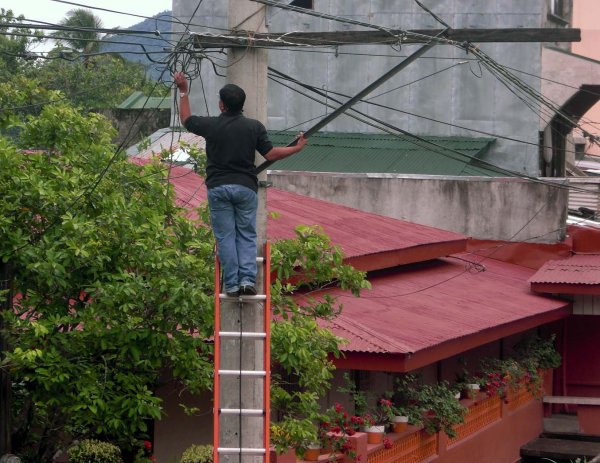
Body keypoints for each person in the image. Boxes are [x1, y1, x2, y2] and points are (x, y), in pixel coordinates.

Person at [173, 72, 307, 297]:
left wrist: (183, 90)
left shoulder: (211, 126)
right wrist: (297, 147)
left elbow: (186, 119)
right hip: (245, 188)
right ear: (241, 105)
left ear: (222, 105)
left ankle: (232, 285)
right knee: (246, 234)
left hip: (218, 188)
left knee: (226, 236)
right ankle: (247, 281)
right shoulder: (254, 127)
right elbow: (271, 153)